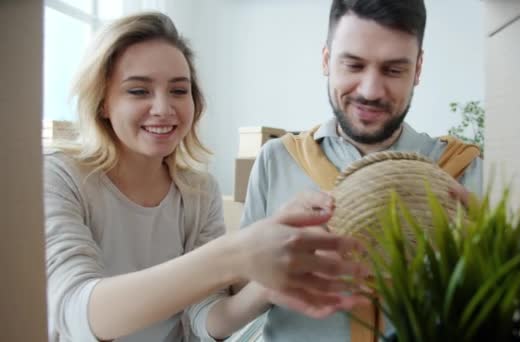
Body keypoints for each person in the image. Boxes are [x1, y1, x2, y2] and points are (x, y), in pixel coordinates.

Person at [44, 12, 368, 342]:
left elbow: (205, 318)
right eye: (139, 91)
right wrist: (236, 254)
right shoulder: (59, 176)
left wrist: (268, 287)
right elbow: (76, 314)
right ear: (102, 102)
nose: (163, 108)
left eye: (178, 91)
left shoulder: (198, 191)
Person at [202, 0, 483, 341]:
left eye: (393, 70)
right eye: (353, 65)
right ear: (326, 59)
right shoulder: (275, 160)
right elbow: (233, 303)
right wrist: (272, 274)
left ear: (418, 68)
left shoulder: (463, 172)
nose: (370, 91)